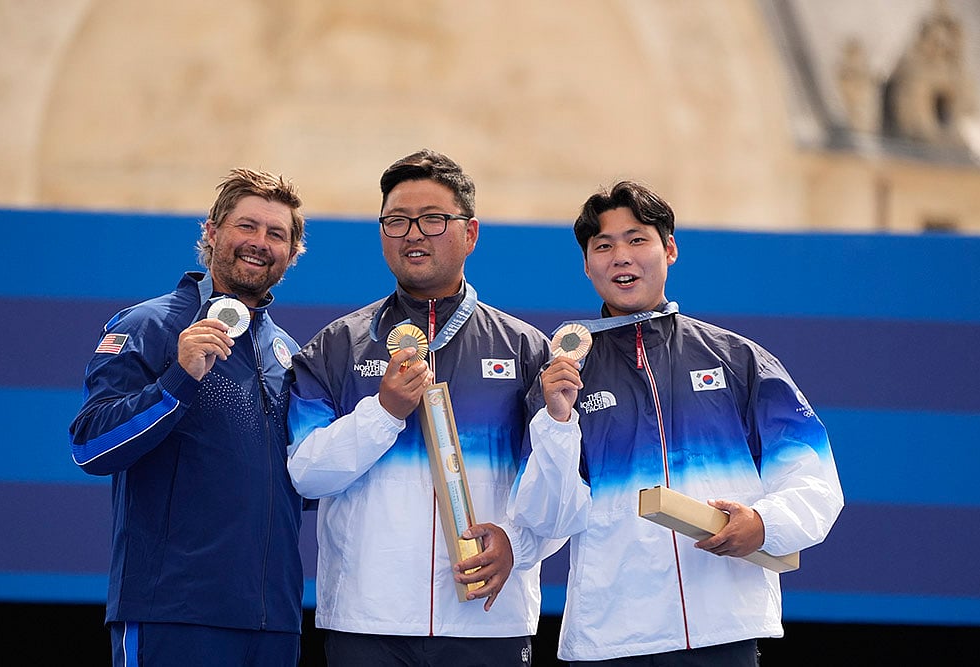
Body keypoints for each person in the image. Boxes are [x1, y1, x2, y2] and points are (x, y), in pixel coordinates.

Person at [509, 181, 844, 665]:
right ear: (586, 265)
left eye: (637, 239)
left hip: (725, 629)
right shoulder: (562, 378)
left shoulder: (738, 360)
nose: (620, 256)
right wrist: (558, 422)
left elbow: (814, 478)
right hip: (614, 636)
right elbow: (547, 520)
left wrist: (766, 524)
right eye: (603, 246)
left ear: (669, 248)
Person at [287, 149, 563, 666]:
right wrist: (384, 413)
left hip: (488, 621)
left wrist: (520, 546)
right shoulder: (336, 346)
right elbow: (305, 474)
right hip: (367, 623)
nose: (413, 233)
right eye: (397, 221)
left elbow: (561, 482)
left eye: (433, 219)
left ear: (471, 233)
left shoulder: (527, 350)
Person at [69, 168, 308, 666]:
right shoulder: (149, 325)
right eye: (247, 226)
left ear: (292, 252)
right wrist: (177, 378)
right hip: (173, 613)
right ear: (212, 231)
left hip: (274, 621)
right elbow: (90, 446)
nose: (259, 242)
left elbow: (294, 481)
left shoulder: (286, 350)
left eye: (276, 234)